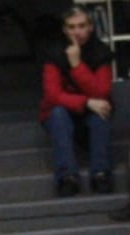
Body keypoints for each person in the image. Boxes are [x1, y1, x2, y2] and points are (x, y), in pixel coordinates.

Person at [40, 6, 113, 197]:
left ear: (90, 27)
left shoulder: (101, 52)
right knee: (57, 112)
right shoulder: (53, 53)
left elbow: (102, 91)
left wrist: (77, 65)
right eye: (71, 27)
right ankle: (67, 177)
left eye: (81, 26)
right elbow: (52, 95)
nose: (77, 32)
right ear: (64, 30)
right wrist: (87, 102)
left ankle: (100, 173)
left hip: (90, 115)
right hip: (61, 114)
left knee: (102, 111)